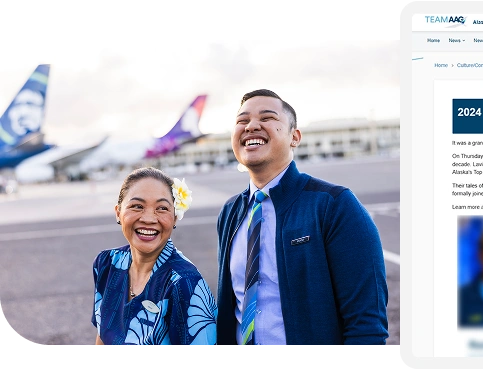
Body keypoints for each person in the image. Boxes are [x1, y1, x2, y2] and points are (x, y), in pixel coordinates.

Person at [215, 89, 388, 345]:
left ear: (294, 137)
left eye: (267, 118)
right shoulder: (230, 212)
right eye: (242, 121)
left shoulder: (334, 205)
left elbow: (367, 325)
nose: (251, 126)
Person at [92, 168, 217, 350]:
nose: (149, 218)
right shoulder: (107, 263)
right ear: (118, 212)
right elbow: (102, 337)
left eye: (162, 208)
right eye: (137, 206)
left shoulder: (185, 283)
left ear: (175, 217)